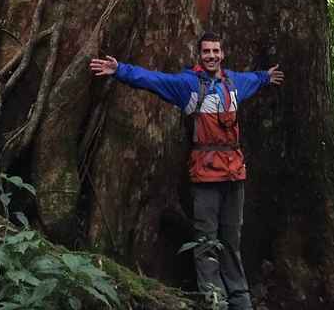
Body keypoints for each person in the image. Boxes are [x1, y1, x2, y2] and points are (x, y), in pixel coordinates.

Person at [90, 32, 284, 310]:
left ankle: (241, 303)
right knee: (206, 242)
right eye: (207, 52)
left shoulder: (234, 82)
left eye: (216, 51)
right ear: (200, 55)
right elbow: (154, 79)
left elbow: (255, 78)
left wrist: (266, 76)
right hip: (205, 175)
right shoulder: (188, 85)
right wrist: (119, 69)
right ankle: (215, 302)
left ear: (222, 54)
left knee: (231, 241)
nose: (212, 56)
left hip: (234, 175)